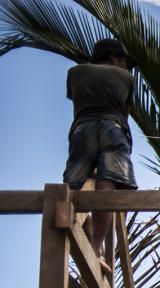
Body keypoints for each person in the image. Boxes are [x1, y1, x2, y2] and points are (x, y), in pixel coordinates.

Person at [63, 38, 138, 272]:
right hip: (113, 127)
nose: (126, 67)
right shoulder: (126, 78)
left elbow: (75, 100)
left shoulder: (74, 73)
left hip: (82, 128)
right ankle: (96, 247)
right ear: (114, 57)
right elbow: (124, 112)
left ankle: (85, 234)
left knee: (75, 186)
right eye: (124, 61)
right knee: (108, 183)